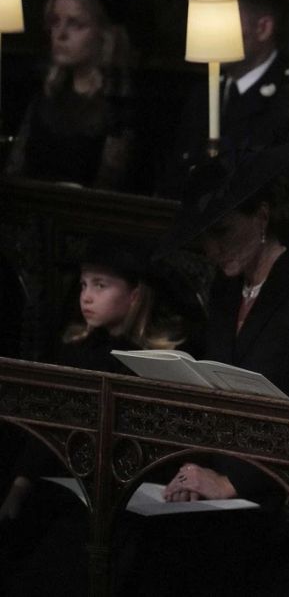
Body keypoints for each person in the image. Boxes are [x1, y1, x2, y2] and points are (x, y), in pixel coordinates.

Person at [135, 143, 289, 595]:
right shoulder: (226, 293)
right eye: (204, 237)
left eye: (222, 231)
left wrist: (232, 481)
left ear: (262, 217)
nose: (210, 249)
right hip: (217, 486)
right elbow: (210, 393)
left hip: (280, 497)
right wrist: (192, 468)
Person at [0, 235, 190, 596]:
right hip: (62, 488)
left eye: (100, 285)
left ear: (135, 295)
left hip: (125, 499)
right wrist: (20, 484)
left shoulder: (158, 362)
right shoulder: (75, 349)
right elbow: (47, 423)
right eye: (85, 284)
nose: (86, 296)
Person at [5, 0, 135, 190]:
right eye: (55, 23)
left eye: (75, 24)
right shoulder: (43, 96)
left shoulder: (118, 104)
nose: (61, 34)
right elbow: (16, 170)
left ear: (103, 34)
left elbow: (114, 183)